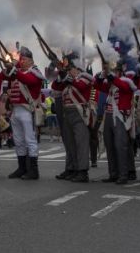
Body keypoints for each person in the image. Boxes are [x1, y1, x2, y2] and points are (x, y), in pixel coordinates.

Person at [4, 47, 45, 181]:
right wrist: (8, 66)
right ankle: (22, 168)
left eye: (24, 59)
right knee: (19, 140)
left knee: (30, 140)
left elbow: (28, 81)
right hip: (16, 109)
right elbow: (2, 76)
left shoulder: (35, 72)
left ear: (31, 60)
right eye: (21, 59)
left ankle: (33, 170)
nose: (21, 62)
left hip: (28, 110)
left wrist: (15, 70)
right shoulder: (18, 72)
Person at [51, 55, 92, 183]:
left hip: (79, 112)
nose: (69, 70)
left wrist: (69, 76)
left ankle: (82, 171)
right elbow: (55, 86)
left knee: (81, 143)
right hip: (67, 112)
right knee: (70, 143)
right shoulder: (68, 78)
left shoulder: (85, 77)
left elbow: (80, 86)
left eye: (71, 67)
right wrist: (61, 74)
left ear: (77, 68)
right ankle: (73, 168)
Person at [94, 62, 136, 185]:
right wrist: (102, 75)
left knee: (120, 145)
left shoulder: (126, 81)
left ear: (119, 71)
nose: (112, 73)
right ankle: (113, 173)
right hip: (108, 115)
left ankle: (124, 174)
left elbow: (123, 86)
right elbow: (96, 85)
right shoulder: (110, 84)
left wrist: (112, 77)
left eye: (114, 71)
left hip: (120, 116)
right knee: (110, 145)